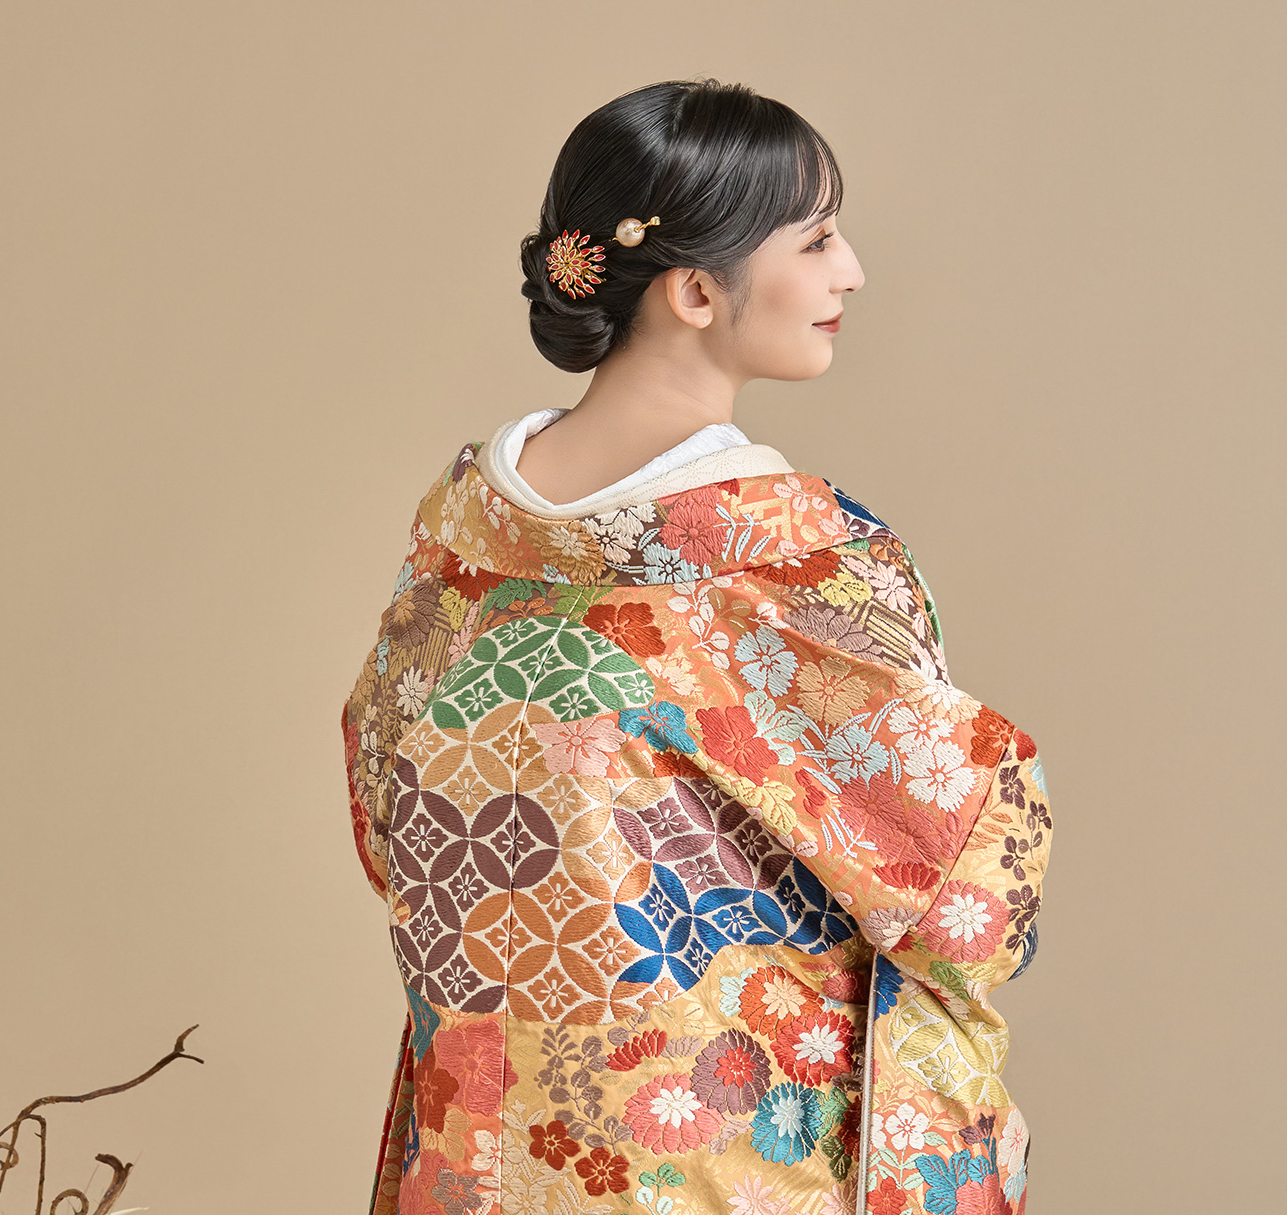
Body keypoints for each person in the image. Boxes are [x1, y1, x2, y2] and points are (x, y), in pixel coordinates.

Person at [342, 79, 1052, 1215]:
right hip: (724, 1147)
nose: (851, 271)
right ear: (695, 290)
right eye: (815, 240)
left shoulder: (458, 552)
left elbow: (390, 814)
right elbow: (964, 867)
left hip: (489, 1139)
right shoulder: (795, 566)